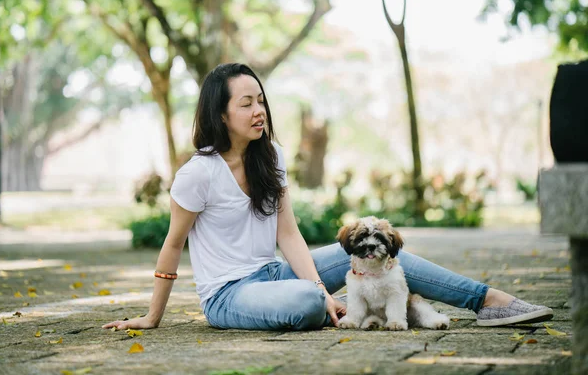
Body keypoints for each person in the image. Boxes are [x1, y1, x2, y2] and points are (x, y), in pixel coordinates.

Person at [102, 63, 553, 331]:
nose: (259, 110)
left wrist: (321, 285)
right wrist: (152, 317)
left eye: (260, 100)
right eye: (245, 104)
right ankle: (349, 305)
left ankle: (488, 301)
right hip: (228, 296)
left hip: (275, 272)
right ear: (219, 113)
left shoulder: (270, 157)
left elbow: (289, 234)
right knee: (303, 302)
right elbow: (173, 245)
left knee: (380, 259)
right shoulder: (197, 173)